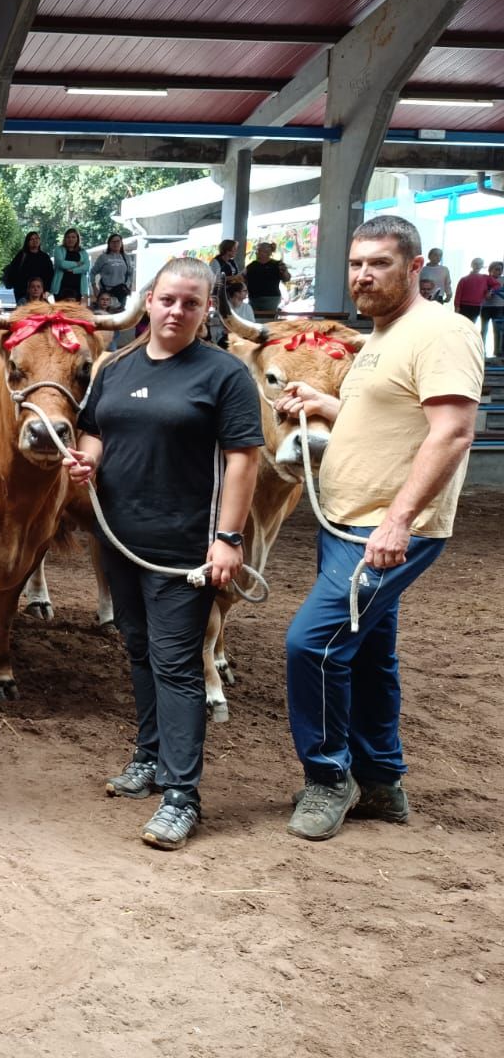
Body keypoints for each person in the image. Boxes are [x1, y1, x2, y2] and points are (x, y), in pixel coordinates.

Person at [274, 215, 482, 842]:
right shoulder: (383, 336)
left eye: (380, 263)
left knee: (311, 645)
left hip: (381, 532)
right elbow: (388, 420)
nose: (364, 275)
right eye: (357, 264)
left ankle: (328, 778)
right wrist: (324, 405)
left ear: (415, 267)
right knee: (367, 654)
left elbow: (453, 432)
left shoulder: (442, 332)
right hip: (347, 522)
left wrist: (398, 521)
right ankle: (382, 781)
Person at [65, 257, 263, 851]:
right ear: (148, 300)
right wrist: (88, 461)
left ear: (207, 311)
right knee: (138, 648)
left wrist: (228, 539)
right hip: (120, 539)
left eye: (191, 303)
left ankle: (182, 796)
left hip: (185, 549)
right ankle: (149, 757)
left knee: (176, 664)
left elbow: (243, 459)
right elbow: (95, 429)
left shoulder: (224, 374)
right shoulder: (115, 366)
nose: (177, 311)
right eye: (168, 299)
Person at [4, 232, 54, 304]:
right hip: (22, 292)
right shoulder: (21, 255)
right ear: (27, 242)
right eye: (32, 239)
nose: (35, 241)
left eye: (36, 238)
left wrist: (46, 290)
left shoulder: (45, 257)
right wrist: (18, 286)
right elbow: (13, 272)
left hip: (39, 293)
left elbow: (50, 275)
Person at [243, 241, 290, 314]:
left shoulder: (277, 264)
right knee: (253, 318)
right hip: (253, 298)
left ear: (267, 252)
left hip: (271, 297)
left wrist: (284, 271)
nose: (256, 253)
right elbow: (245, 279)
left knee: (268, 318)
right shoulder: (252, 265)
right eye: (257, 250)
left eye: (259, 251)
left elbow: (286, 279)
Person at [91, 233, 133, 308]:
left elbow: (130, 273)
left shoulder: (126, 257)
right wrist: (94, 288)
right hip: (106, 292)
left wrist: (128, 285)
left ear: (121, 243)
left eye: (118, 241)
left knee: (119, 312)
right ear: (109, 244)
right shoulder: (103, 257)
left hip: (121, 292)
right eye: (113, 242)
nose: (115, 244)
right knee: (105, 313)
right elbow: (92, 273)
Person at [51, 228, 90, 300]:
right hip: (60, 288)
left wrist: (73, 271)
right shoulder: (58, 249)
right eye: (68, 237)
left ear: (77, 239)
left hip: (78, 288)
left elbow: (86, 267)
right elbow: (62, 264)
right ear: (65, 239)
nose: (70, 239)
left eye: (73, 237)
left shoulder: (83, 252)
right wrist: (77, 263)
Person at [454, 257, 491, 325]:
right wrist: (457, 306)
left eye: (480, 264)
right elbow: (458, 294)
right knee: (461, 324)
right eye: (475, 264)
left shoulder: (485, 278)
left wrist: (490, 291)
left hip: (476, 306)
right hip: (463, 306)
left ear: (482, 266)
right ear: (471, 265)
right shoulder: (464, 279)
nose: (477, 265)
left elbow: (496, 285)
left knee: (471, 324)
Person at [482, 260, 504, 361]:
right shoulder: (485, 279)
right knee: (484, 330)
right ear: (490, 270)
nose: (499, 272)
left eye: (501, 270)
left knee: (498, 330)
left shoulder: (503, 280)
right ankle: (482, 352)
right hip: (485, 307)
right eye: (497, 269)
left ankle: (498, 353)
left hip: (499, 307)